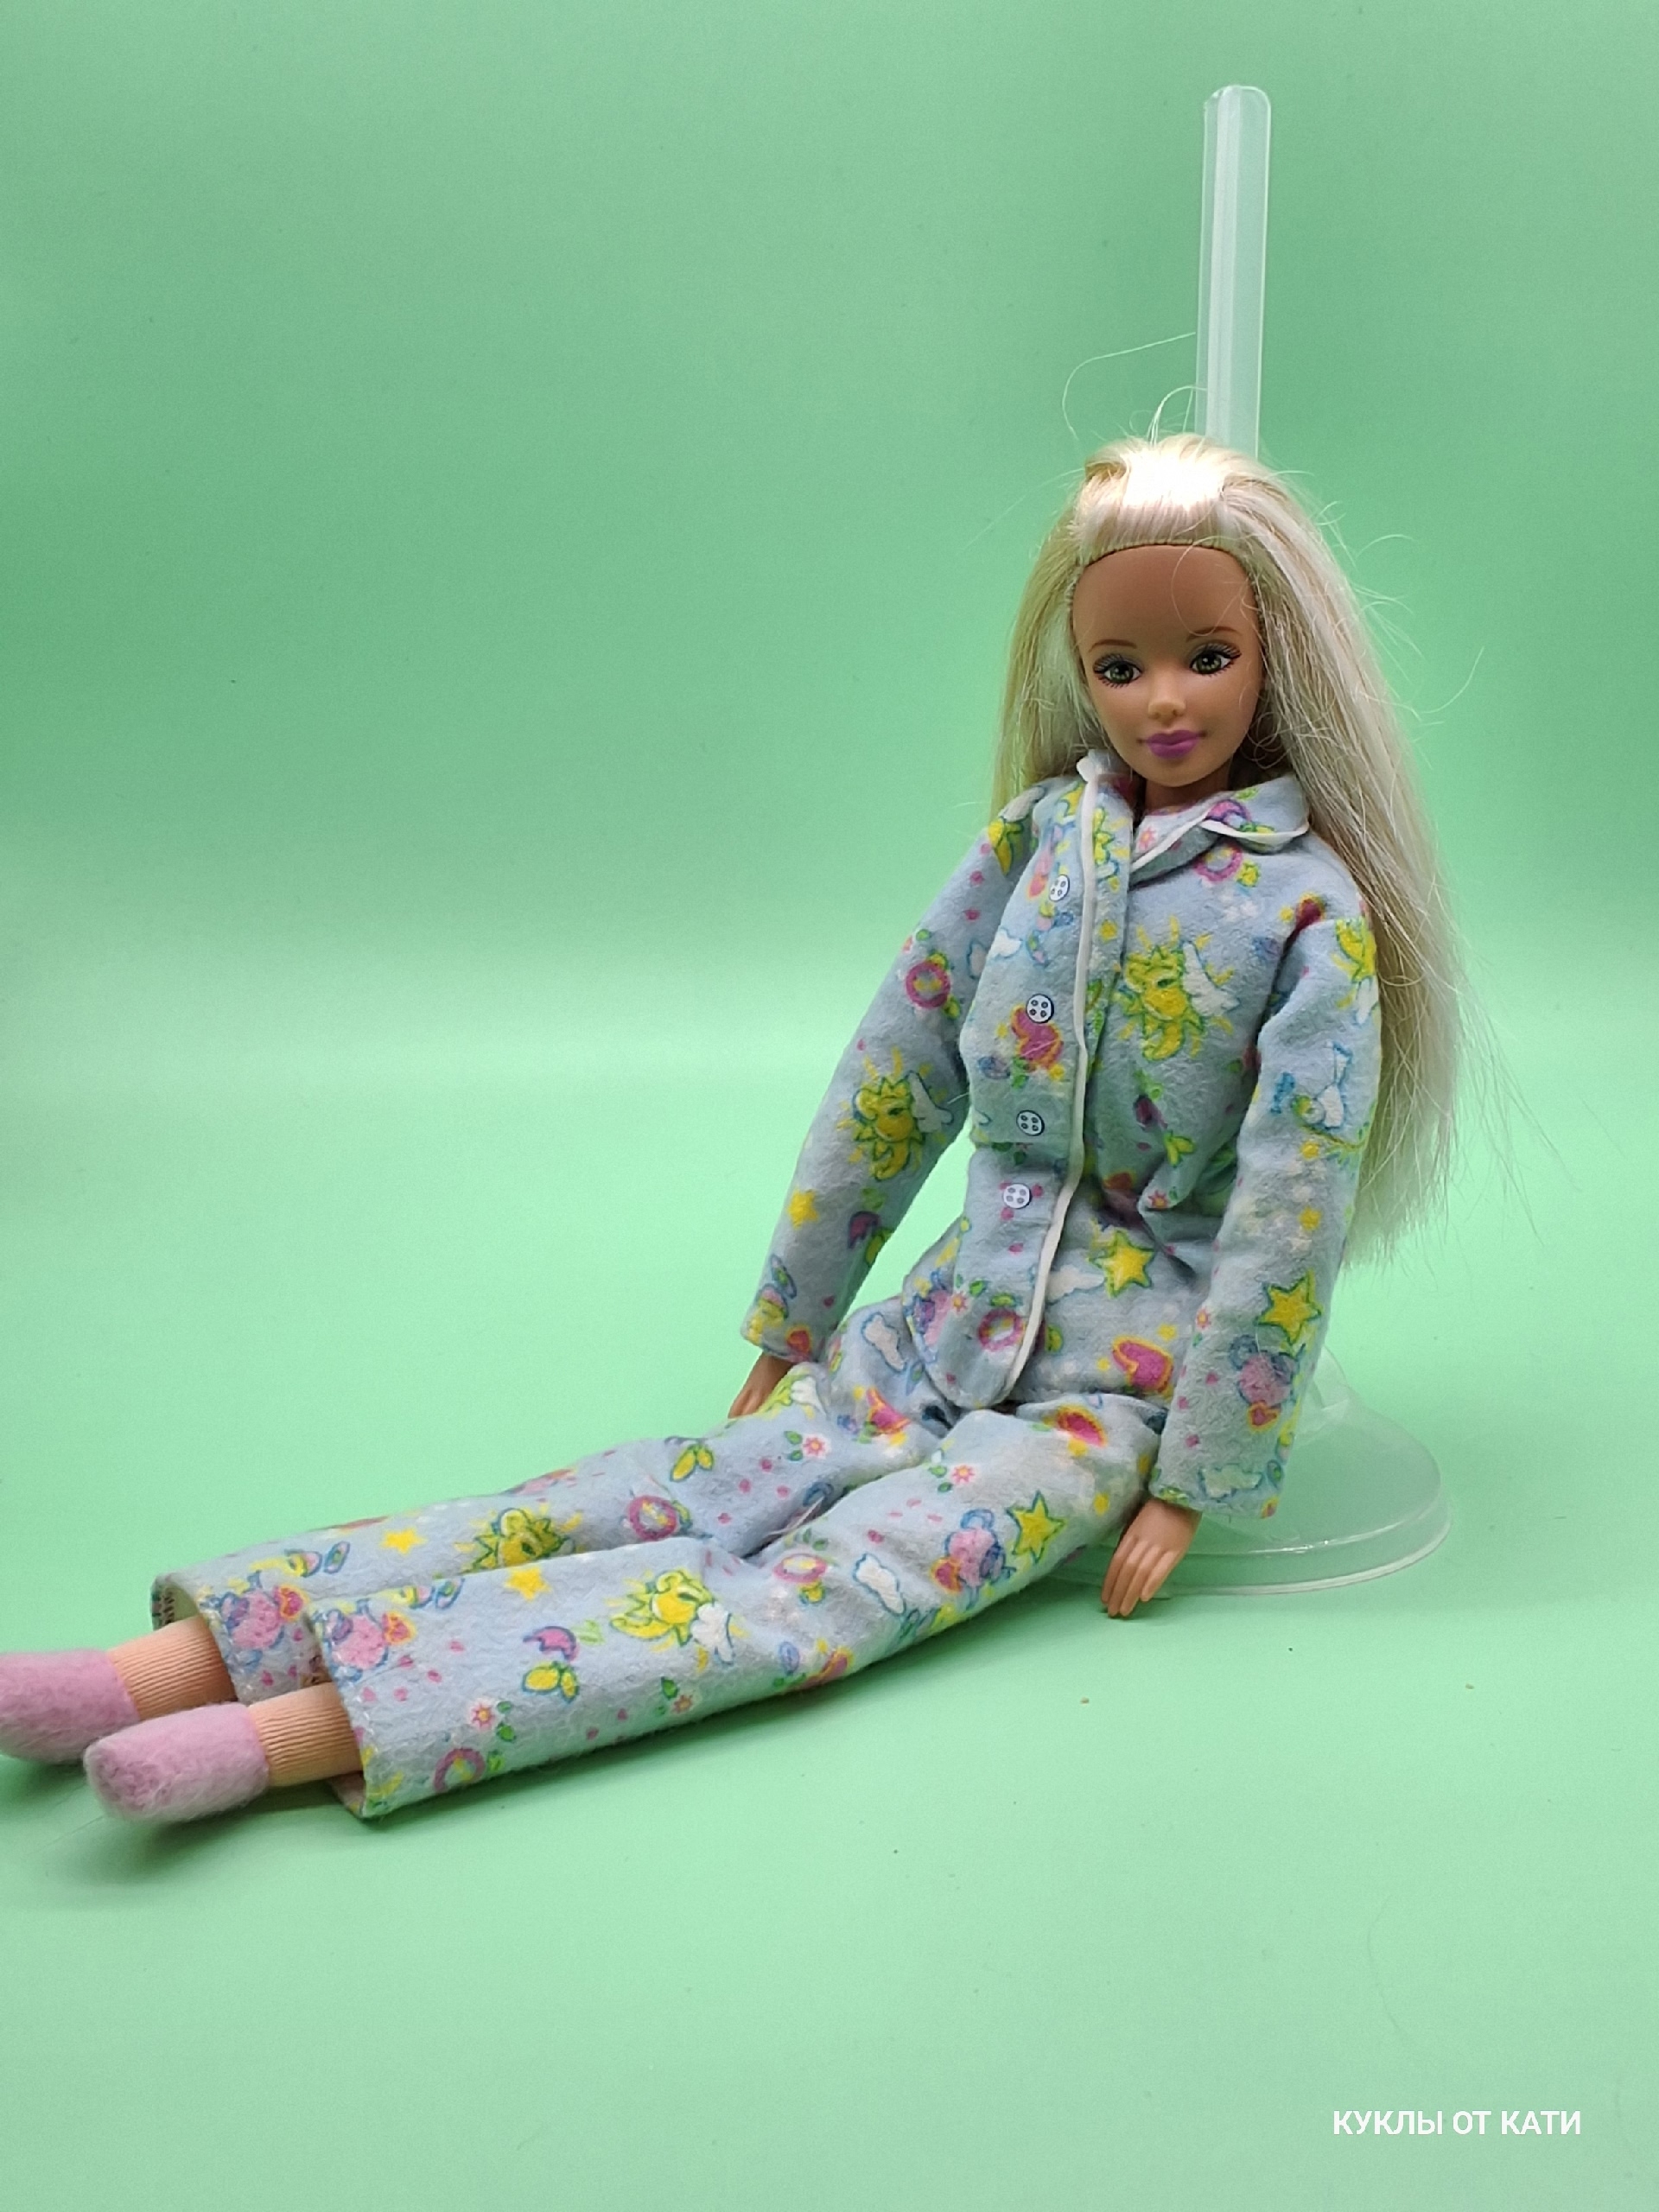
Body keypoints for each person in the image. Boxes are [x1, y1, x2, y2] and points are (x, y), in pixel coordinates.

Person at [0, 434, 1464, 1824]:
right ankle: (170, 1665)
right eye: (1118, 666)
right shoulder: (1038, 846)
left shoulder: (1308, 916)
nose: (1163, 701)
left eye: (1208, 657)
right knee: (651, 1490)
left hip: (1109, 1397)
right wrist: (798, 1311)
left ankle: (289, 1737)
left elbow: (1289, 1208)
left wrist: (1199, 1475)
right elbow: (898, 1069)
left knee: (820, 1593)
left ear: (1276, 660)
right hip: (940, 1325)